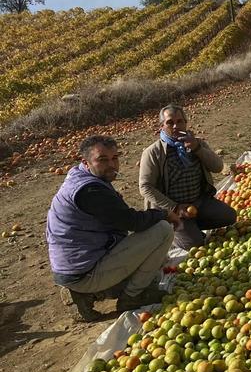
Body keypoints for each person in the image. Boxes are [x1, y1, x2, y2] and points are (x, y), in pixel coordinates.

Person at [47, 135, 180, 321]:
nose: (111, 165)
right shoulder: (90, 191)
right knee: (163, 231)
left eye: (114, 158)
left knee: (155, 263)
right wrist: (164, 214)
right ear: (86, 162)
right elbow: (132, 222)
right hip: (84, 272)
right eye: (102, 160)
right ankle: (131, 297)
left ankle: (87, 293)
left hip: (78, 265)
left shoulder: (80, 176)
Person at [139, 105, 237, 250]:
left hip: (198, 203)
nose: (176, 126)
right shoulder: (153, 152)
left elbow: (217, 167)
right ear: (162, 126)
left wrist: (197, 148)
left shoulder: (196, 143)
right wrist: (175, 207)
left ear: (186, 123)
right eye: (170, 122)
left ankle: (190, 226)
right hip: (172, 209)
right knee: (194, 245)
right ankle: (173, 231)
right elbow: (145, 187)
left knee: (229, 216)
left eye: (180, 121)